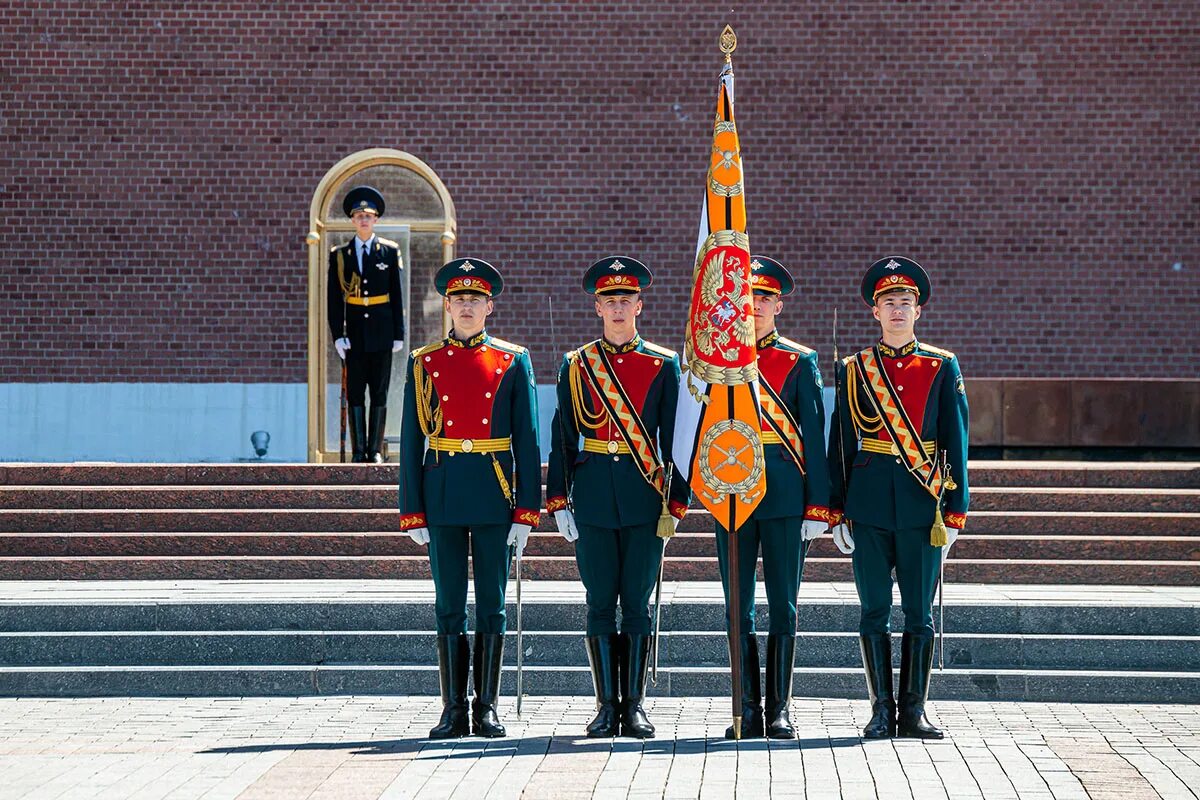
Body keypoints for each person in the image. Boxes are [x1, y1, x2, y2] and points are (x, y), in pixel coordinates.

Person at [545, 257, 690, 739]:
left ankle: (636, 706)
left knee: (638, 603)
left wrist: (676, 500)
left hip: (644, 496)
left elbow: (676, 440)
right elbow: (563, 434)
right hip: (591, 496)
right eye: (610, 300)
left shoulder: (662, 364)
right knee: (600, 602)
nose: (618, 307)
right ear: (597, 307)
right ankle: (607, 705)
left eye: (626, 300)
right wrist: (558, 499)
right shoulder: (576, 364)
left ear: (640, 306)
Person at [397, 257, 541, 739]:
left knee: (492, 604)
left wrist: (527, 508)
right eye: (458, 299)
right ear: (447, 305)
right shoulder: (424, 362)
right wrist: (411, 510)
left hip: (493, 492)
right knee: (448, 604)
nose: (466, 307)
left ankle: (488, 706)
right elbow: (413, 441)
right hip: (442, 496)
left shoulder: (512, 360)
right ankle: (454, 707)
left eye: (474, 300)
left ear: (489, 307)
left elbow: (528, 439)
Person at [827, 256, 969, 740]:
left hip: (922, 504)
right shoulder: (855, 369)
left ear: (918, 310)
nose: (897, 311)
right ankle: (880, 709)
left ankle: (914, 711)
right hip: (866, 505)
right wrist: (837, 510)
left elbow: (955, 439)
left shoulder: (941, 366)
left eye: (905, 302)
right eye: (888, 303)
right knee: (872, 611)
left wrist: (955, 511)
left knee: (919, 613)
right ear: (875, 311)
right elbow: (841, 441)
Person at [715, 256, 835, 739]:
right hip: (732, 494)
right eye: (748, 297)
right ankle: (744, 709)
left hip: (786, 498)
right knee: (736, 606)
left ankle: (779, 708)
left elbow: (815, 436)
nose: (756, 305)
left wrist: (818, 505)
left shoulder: (799, 360)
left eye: (764, 297)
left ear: (778, 305)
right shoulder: (720, 362)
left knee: (783, 604)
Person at [327, 185, 405, 462]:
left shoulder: (388, 251)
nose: (363, 220)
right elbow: (334, 300)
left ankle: (374, 450)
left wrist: (399, 332)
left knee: (380, 392)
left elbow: (397, 295)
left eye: (368, 216)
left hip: (382, 333)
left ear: (376, 220)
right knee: (356, 393)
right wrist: (338, 335)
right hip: (355, 335)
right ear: (352, 219)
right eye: (359, 216)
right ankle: (359, 451)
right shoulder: (339, 255)